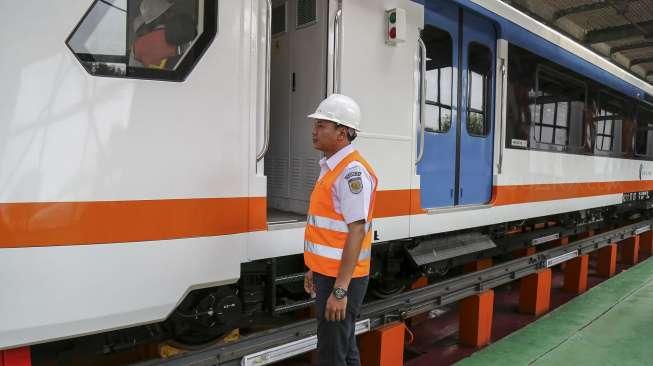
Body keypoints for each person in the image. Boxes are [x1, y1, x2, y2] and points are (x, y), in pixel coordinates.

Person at [302, 94, 378, 366]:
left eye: (322, 125)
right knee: (343, 349)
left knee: (332, 353)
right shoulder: (331, 167)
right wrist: (314, 267)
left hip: (342, 279)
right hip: (330, 274)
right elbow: (328, 230)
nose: (314, 130)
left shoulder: (351, 173)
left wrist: (340, 290)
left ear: (342, 133)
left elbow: (356, 231)